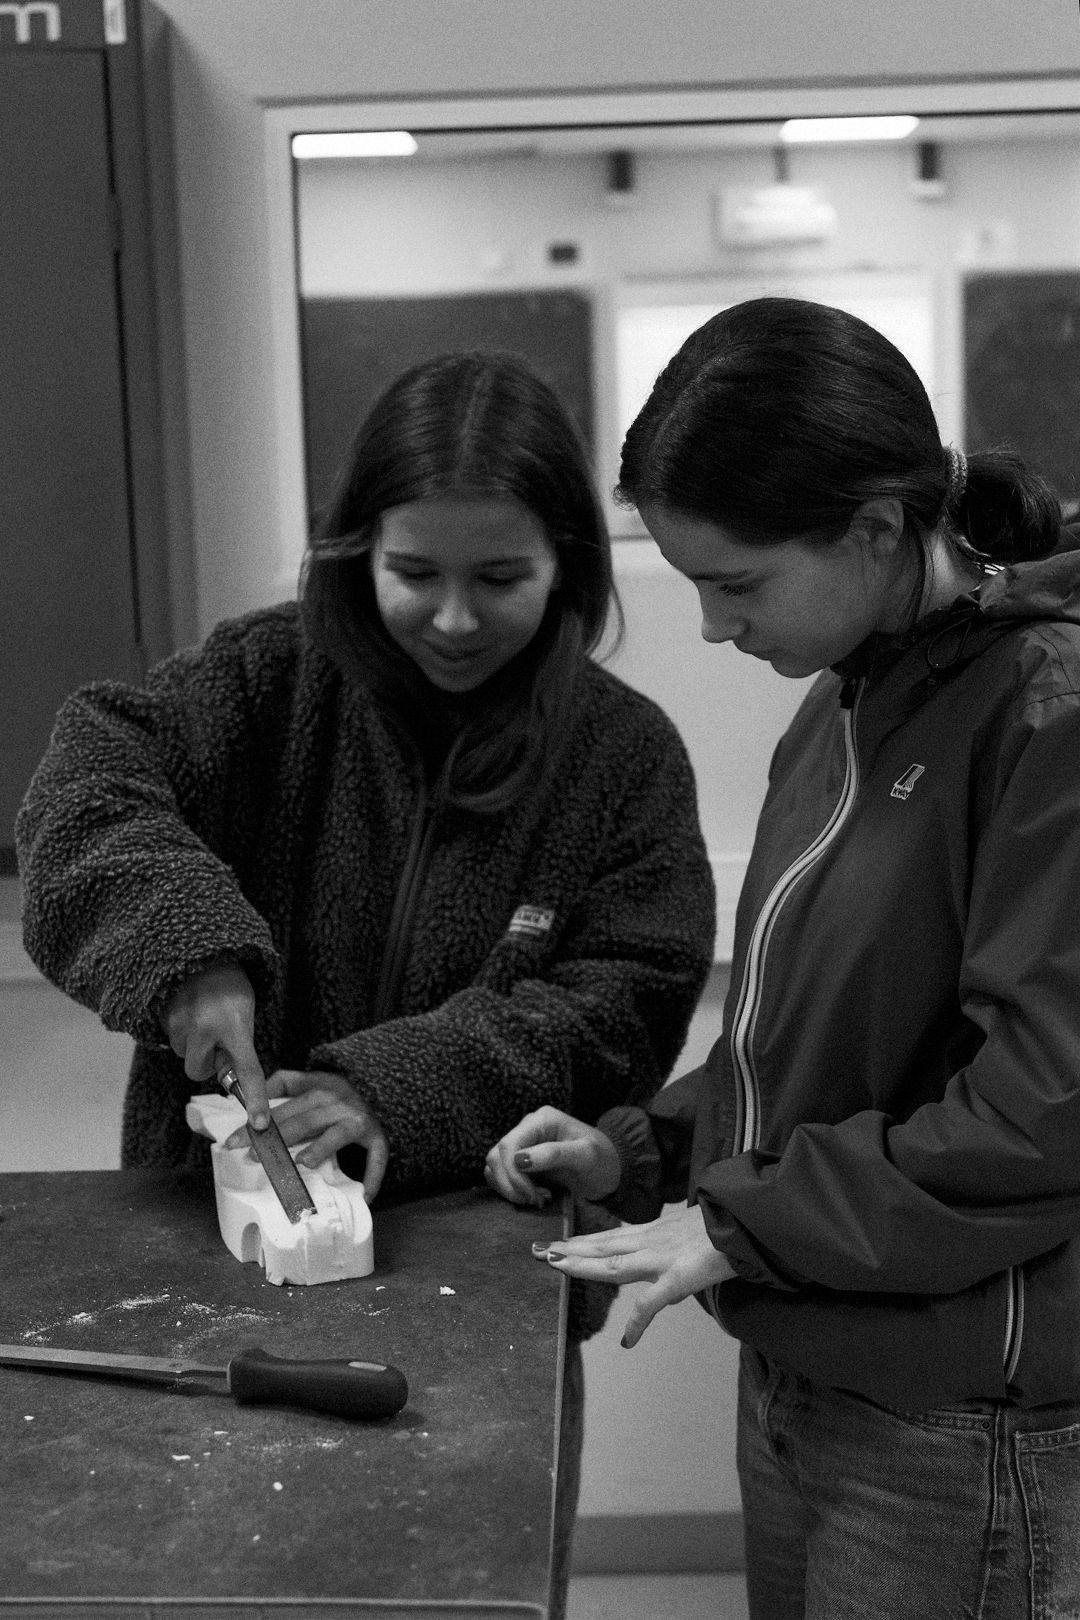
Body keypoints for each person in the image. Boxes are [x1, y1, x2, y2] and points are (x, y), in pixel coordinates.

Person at [16, 350, 716, 1618]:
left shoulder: (623, 758)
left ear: (570, 563)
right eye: (414, 575)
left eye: (500, 579)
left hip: (487, 1279)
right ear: (355, 553)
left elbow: (625, 1000)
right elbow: (88, 779)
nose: (455, 619)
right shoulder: (265, 682)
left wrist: (387, 1086)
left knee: (461, 1584)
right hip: (208, 1261)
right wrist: (186, 949)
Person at [486, 298, 1080, 1619]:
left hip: (956, 1425)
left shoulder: (1046, 717)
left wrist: (742, 1218)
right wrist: (641, 1152)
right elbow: (808, 1045)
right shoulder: (841, 705)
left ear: (873, 531)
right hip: (809, 1370)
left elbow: (1045, 1114)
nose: (707, 626)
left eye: (735, 583)